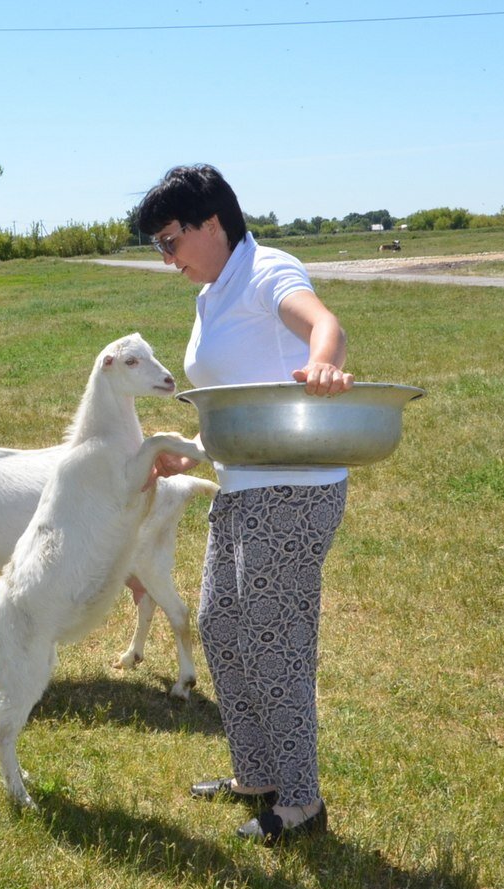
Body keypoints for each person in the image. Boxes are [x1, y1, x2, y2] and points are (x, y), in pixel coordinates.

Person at [137, 164, 354, 846]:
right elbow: (239, 397)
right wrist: (192, 451)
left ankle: (301, 802)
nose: (167, 259)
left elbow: (323, 323)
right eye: (158, 248)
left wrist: (322, 361)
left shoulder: (266, 270)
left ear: (211, 223)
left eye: (170, 241)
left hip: (293, 487)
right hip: (240, 484)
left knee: (273, 641)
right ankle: (257, 775)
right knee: (221, 627)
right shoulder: (210, 295)